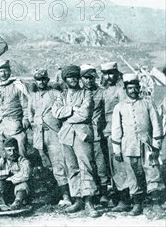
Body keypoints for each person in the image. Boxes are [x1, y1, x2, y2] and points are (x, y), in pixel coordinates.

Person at [112, 74, 164, 215]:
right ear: (125, 89)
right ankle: (137, 205)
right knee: (133, 175)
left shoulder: (148, 103)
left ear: (139, 88)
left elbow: (157, 125)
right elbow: (116, 129)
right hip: (128, 146)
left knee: (153, 172)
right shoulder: (119, 107)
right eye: (130, 88)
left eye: (135, 87)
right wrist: (117, 150)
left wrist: (156, 145)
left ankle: (156, 204)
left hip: (147, 145)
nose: (133, 90)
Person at [52, 65, 99, 217]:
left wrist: (67, 112)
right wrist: (73, 108)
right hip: (66, 134)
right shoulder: (61, 95)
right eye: (69, 77)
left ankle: (89, 202)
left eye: (75, 77)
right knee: (71, 168)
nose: (72, 79)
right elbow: (56, 113)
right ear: (65, 79)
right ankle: (77, 199)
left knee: (86, 166)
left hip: (82, 133)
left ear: (79, 78)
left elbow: (85, 114)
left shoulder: (86, 94)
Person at [25, 68, 71, 206]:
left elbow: (63, 110)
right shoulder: (33, 96)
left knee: (59, 164)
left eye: (44, 79)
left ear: (47, 80)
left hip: (53, 133)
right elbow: (29, 113)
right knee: (46, 166)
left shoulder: (55, 93)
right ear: (35, 81)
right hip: (39, 135)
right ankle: (53, 194)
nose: (41, 82)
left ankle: (67, 196)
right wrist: (34, 123)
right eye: (38, 80)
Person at [100, 61, 129, 210]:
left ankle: (125, 200)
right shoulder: (105, 90)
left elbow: (124, 113)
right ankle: (116, 196)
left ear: (117, 73)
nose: (108, 76)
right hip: (105, 132)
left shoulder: (120, 89)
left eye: (111, 73)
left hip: (117, 132)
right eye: (105, 73)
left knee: (119, 166)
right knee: (110, 166)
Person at [80, 64, 111, 205]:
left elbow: (107, 112)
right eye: (86, 78)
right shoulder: (79, 93)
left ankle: (104, 192)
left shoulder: (102, 93)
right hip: (83, 134)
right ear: (81, 78)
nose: (89, 81)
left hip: (97, 133)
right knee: (87, 163)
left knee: (101, 164)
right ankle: (91, 193)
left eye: (91, 78)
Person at [0, 60, 29, 159]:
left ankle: (23, 170)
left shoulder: (17, 85)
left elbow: (26, 104)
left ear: (9, 71)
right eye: (1, 71)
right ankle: (5, 169)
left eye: (5, 71)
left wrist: (25, 118)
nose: (3, 74)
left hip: (13, 121)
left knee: (20, 147)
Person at [0, 138, 31, 211]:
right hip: (6, 193)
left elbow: (25, 175)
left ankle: (17, 203)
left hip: (21, 194)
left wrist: (9, 179)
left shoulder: (23, 161)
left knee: (22, 183)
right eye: (9, 150)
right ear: (4, 152)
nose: (12, 153)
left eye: (14, 150)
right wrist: (6, 172)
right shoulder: (1, 161)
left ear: (18, 150)